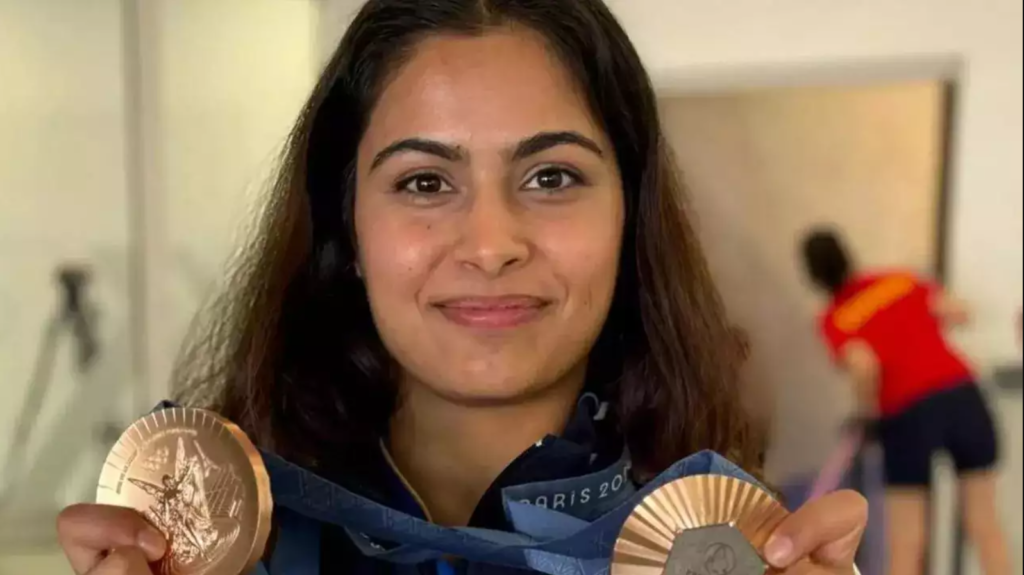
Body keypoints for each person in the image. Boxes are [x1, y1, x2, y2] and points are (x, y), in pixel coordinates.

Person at [55, 1, 868, 573]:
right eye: (423, 182)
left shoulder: (728, 547)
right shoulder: (210, 552)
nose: (489, 244)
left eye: (552, 176)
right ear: (349, 233)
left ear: (631, 218)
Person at [800, 228, 1010, 575]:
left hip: (906, 411)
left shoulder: (835, 318)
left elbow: (863, 366)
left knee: (907, 538)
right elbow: (959, 312)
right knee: (984, 524)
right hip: (961, 394)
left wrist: (866, 414)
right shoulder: (897, 281)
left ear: (814, 276)